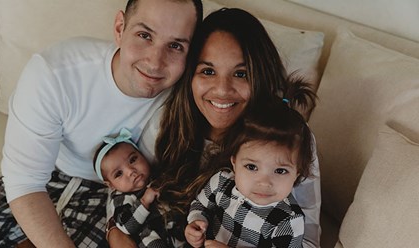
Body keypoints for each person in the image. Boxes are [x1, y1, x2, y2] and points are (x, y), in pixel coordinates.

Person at [0, 0, 202, 247]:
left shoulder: (191, 96)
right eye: (144, 35)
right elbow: (24, 181)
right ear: (120, 28)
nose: (155, 61)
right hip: (49, 170)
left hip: (116, 195)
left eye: (175, 45)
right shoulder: (56, 73)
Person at [109, 7, 321, 248]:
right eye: (208, 71)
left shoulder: (287, 137)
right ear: (190, 75)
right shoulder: (168, 118)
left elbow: (308, 241)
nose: (221, 90)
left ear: (261, 76)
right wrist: (115, 231)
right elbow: (124, 174)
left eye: (241, 74)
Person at [185, 91, 315, 247]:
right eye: (252, 167)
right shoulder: (221, 181)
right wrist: (196, 222)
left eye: (280, 171)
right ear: (234, 161)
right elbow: (200, 205)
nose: (265, 182)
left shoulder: (288, 221)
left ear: (296, 173)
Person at [94, 127, 170, 247]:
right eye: (119, 173)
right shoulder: (120, 200)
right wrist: (144, 201)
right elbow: (127, 226)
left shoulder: (157, 176)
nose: (131, 171)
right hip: (153, 240)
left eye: (133, 159)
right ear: (111, 185)